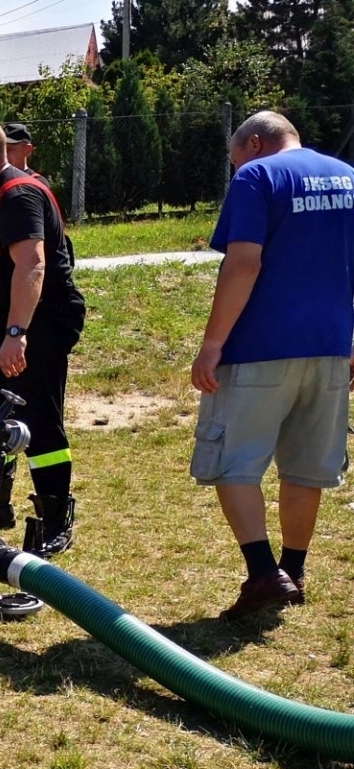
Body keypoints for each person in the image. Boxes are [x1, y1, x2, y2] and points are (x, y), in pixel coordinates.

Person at [191, 111, 354, 619]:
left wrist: (213, 343)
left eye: (234, 156)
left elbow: (243, 262)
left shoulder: (257, 176)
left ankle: (264, 573)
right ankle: (294, 570)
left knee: (232, 462)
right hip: (330, 346)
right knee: (306, 467)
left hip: (260, 346)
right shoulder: (348, 177)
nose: (233, 167)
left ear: (255, 144)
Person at [0, 116, 86, 560]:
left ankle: (55, 518)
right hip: (1, 323)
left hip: (38, 325)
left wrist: (16, 334)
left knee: (39, 423)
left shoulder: (19, 194)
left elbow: (32, 267)